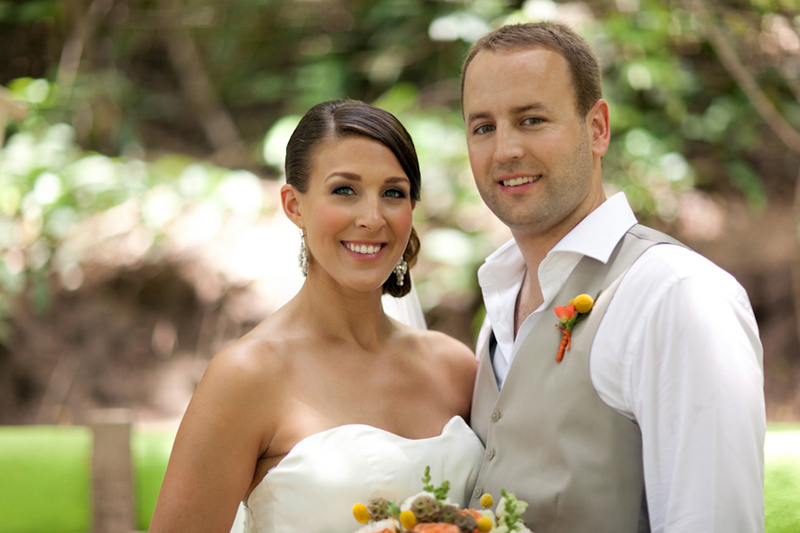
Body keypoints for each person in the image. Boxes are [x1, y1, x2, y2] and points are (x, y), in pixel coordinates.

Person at [461, 22, 766, 532]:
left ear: (597, 128)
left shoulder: (676, 295)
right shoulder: (499, 302)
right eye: (483, 127)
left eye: (531, 119)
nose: (504, 150)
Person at [148, 99, 485, 533]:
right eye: (344, 190)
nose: (372, 217)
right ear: (294, 205)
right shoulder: (247, 376)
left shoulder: (455, 368)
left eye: (393, 193)